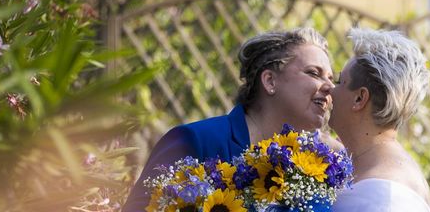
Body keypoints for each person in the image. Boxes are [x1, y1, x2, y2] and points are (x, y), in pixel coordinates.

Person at [122, 27, 336, 212]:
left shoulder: (324, 166)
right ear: (270, 81)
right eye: (314, 73)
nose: (330, 87)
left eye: (331, 78)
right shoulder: (195, 141)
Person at [330, 28, 430, 212]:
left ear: (359, 99)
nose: (330, 89)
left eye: (339, 81)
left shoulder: (385, 198)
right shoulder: (365, 162)